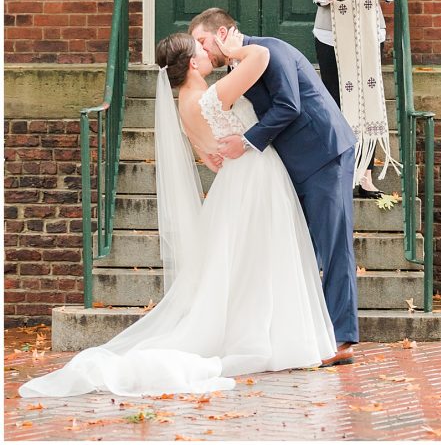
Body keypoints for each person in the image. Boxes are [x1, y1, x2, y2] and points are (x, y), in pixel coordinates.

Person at [21, 30, 337, 397]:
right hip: (255, 176)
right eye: (201, 50)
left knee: (247, 261)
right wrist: (237, 48)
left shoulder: (184, 104)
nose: (207, 52)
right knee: (262, 255)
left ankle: (267, 329)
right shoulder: (210, 97)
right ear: (191, 63)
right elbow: (262, 60)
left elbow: (208, 156)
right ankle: (274, 335)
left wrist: (220, 152)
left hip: (235, 180)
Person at [189, 8, 359, 367]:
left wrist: (247, 142)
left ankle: (342, 340)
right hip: (291, 165)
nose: (202, 51)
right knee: (297, 249)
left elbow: (289, 105)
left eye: (203, 41)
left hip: (324, 153)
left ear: (223, 32)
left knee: (333, 245)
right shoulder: (240, 66)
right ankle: (302, 334)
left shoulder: (271, 49)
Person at [308, 0, 401, 198]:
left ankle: (366, 174)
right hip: (332, 32)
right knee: (337, 101)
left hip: (367, 25)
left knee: (369, 98)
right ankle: (341, 170)